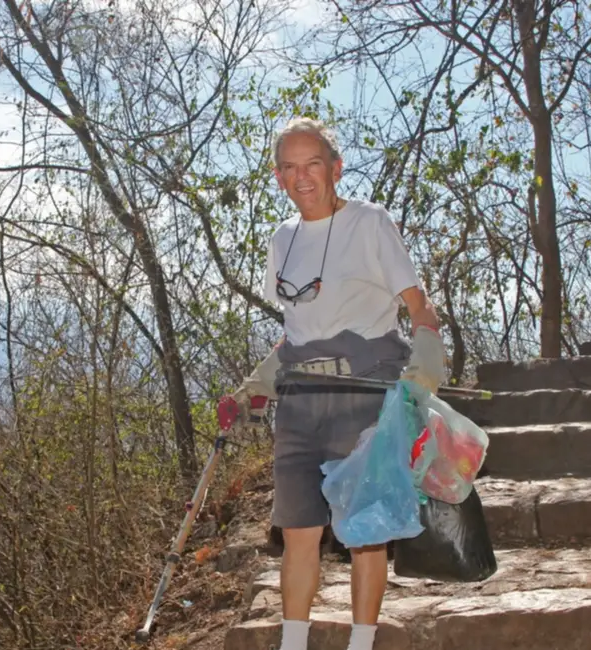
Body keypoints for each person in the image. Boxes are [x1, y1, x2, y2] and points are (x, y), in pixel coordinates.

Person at [227, 118, 447, 650]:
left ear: (335, 167)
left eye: (313, 163)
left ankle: (362, 643)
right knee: (298, 532)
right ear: (278, 177)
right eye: (289, 167)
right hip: (300, 404)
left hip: (364, 395)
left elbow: (421, 312)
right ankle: (293, 644)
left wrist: (424, 374)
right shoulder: (282, 240)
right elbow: (297, 334)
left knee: (365, 534)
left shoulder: (370, 223)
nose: (302, 177)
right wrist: (256, 385)